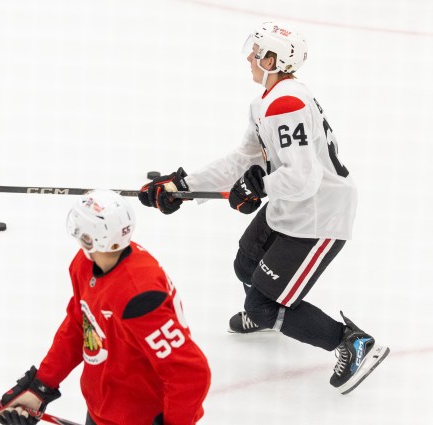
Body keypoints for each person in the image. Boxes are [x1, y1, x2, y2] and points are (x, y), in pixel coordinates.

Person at [138, 21, 389, 394]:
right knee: (245, 265)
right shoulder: (266, 103)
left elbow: (304, 178)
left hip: (319, 217)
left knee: (259, 306)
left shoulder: (287, 103)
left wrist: (258, 187)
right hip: (294, 208)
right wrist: (183, 185)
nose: (251, 60)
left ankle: (350, 342)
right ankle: (272, 314)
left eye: (258, 54)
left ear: (275, 60)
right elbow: (243, 159)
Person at [0, 189, 211, 425]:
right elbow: (80, 325)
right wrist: (41, 385)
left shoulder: (139, 296)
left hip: (141, 417)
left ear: (91, 238)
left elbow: (190, 373)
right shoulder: (84, 265)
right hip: (103, 409)